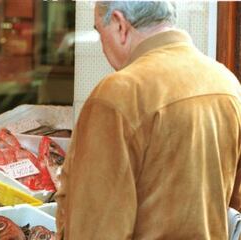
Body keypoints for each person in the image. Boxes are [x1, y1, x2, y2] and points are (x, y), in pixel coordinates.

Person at [55, 1, 241, 239]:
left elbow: (95, 229)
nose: (102, 46)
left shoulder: (119, 93)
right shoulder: (225, 82)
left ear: (120, 25)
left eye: (99, 31)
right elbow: (232, 203)